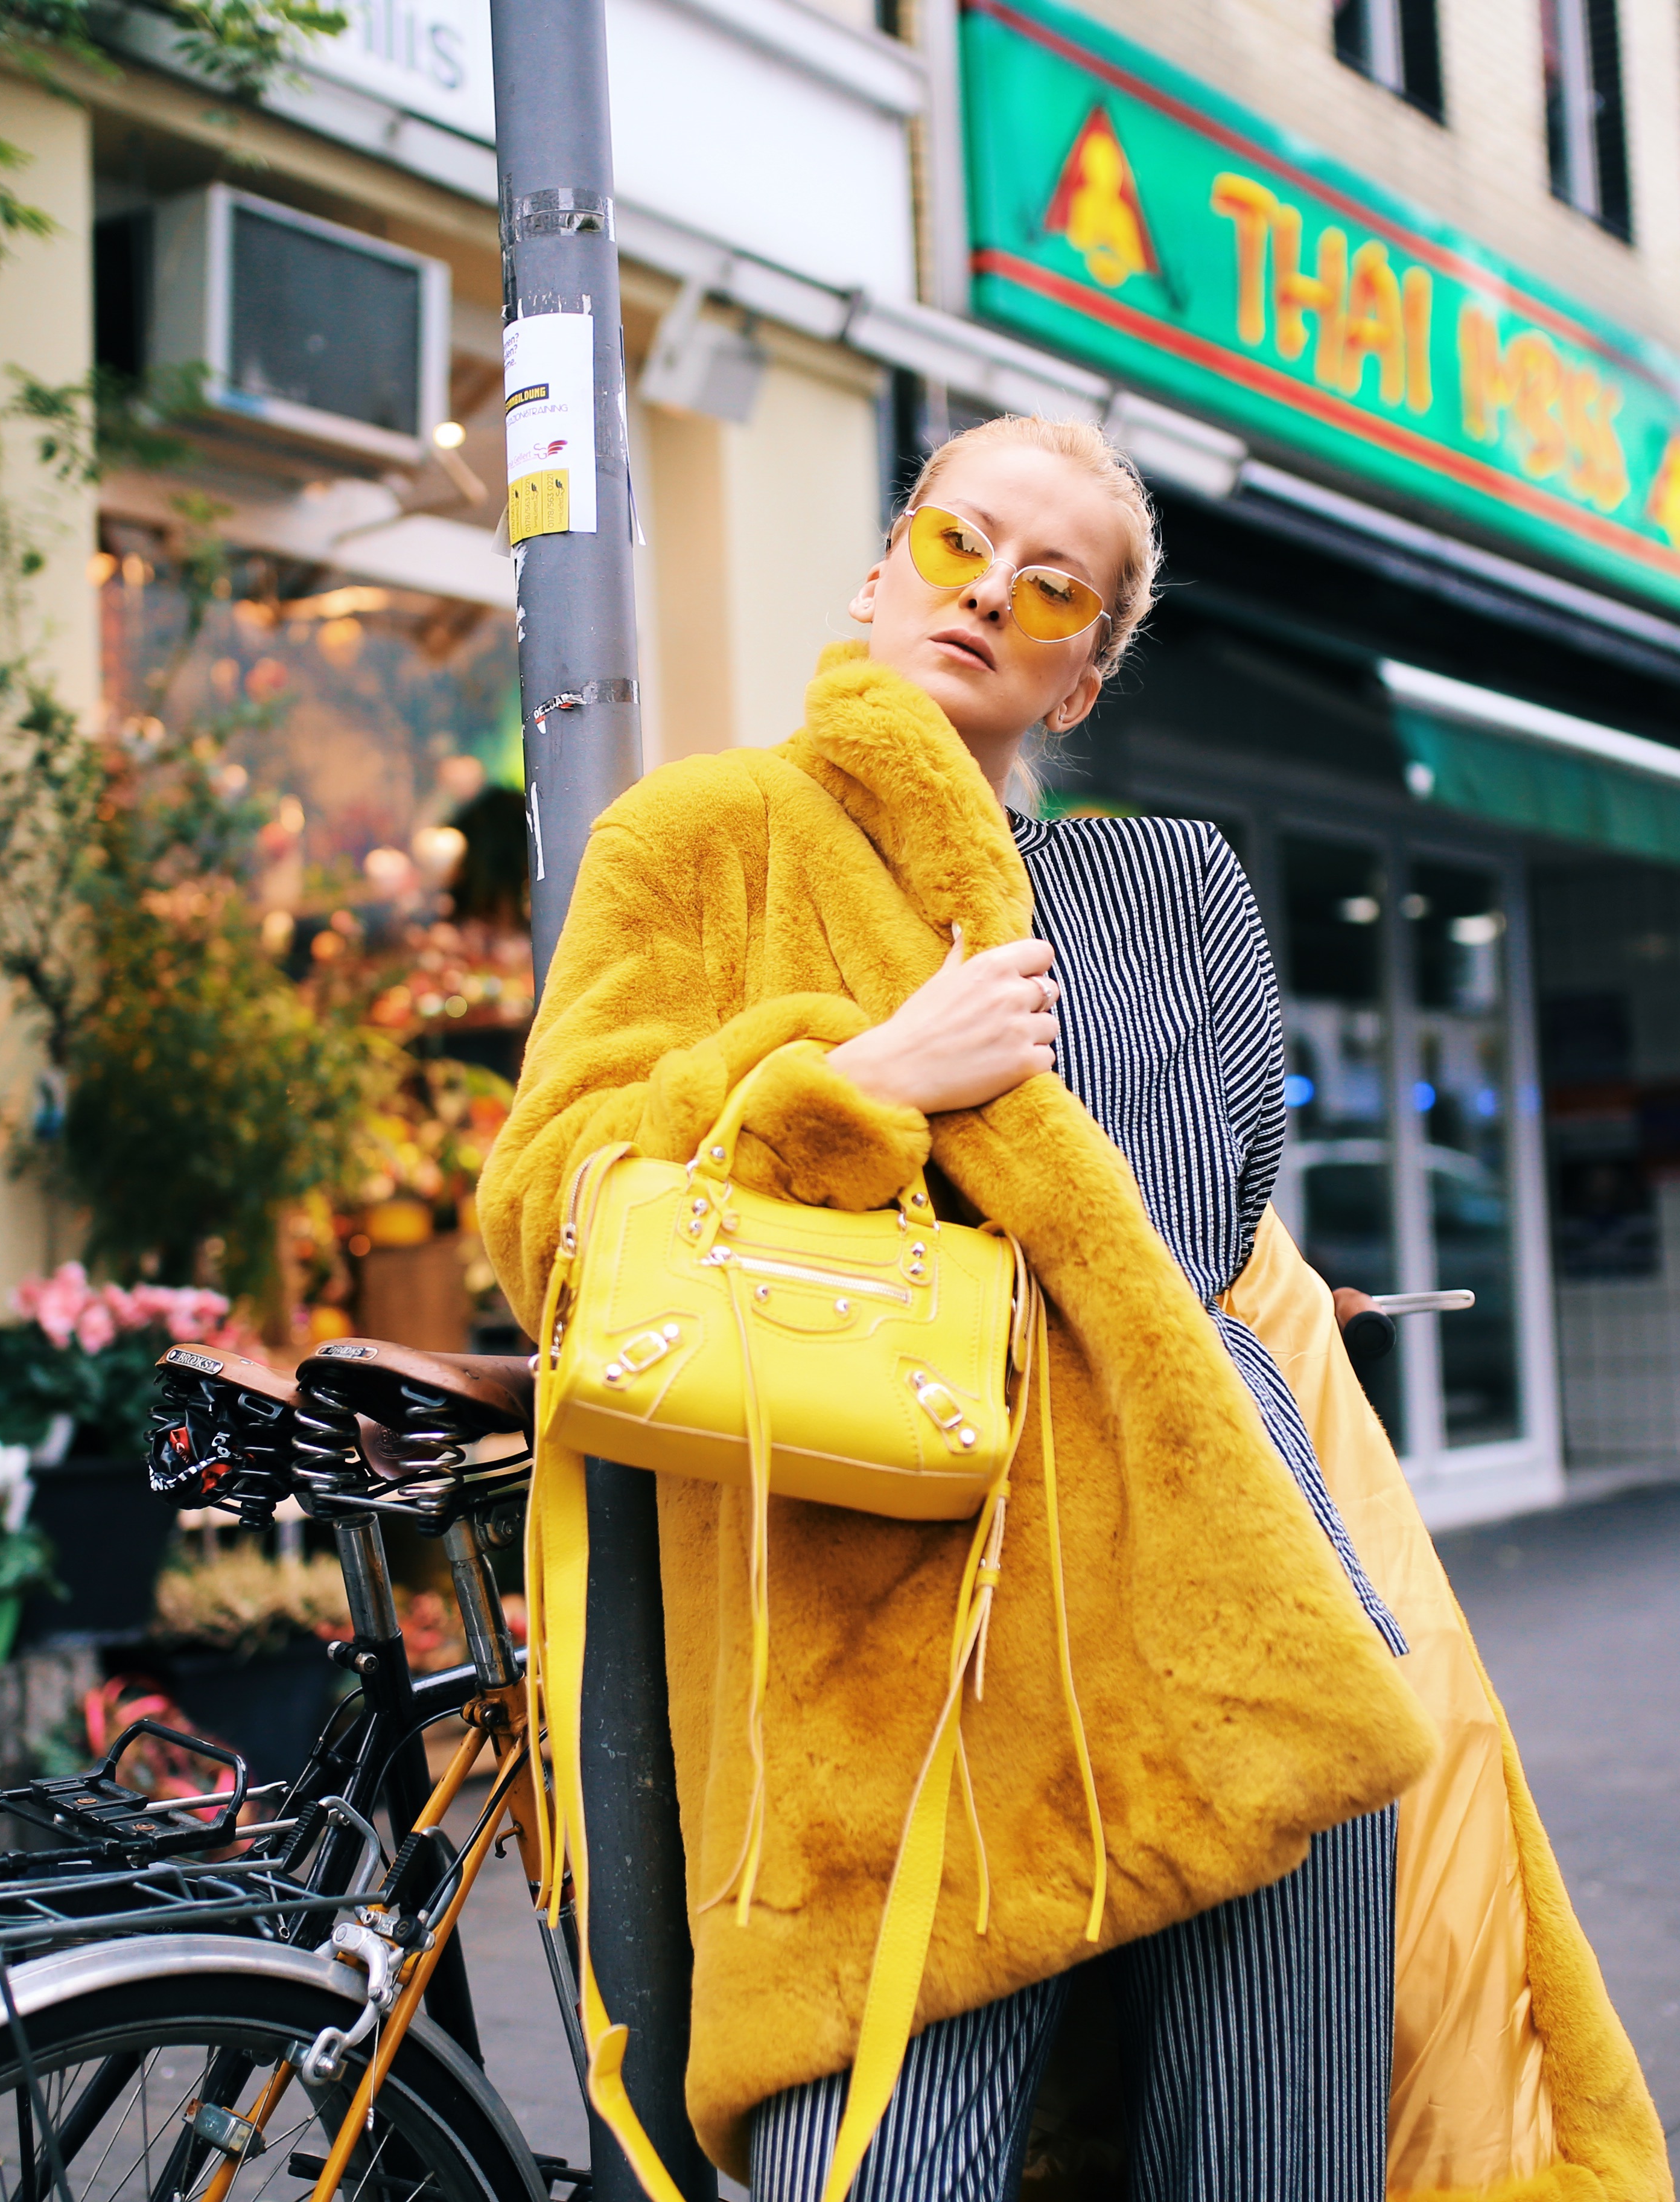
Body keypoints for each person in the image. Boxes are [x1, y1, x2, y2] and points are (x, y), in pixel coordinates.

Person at [479, 415, 1437, 2201]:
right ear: (876, 576)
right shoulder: (707, 830)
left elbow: (1219, 1232)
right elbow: (547, 1212)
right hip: (882, 1649)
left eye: (1053, 583)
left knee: (1274, 2135)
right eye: (955, 544)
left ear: (1082, 678)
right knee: (898, 2155)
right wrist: (857, 1080)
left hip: (1191, 1611)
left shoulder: (1169, 897)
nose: (992, 592)